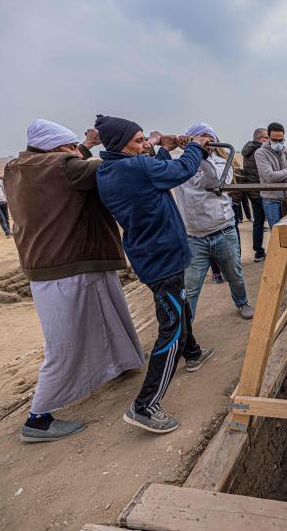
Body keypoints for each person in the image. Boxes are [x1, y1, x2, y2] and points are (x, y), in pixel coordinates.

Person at [4, 118, 144, 442]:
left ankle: (122, 364)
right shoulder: (64, 166)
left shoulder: (18, 167)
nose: (73, 153)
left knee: (108, 313)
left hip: (50, 265)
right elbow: (97, 169)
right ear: (56, 149)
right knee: (64, 344)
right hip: (69, 265)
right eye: (69, 149)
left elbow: (63, 164)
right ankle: (37, 420)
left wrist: (84, 145)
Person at [95, 114, 215, 434]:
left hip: (152, 255)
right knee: (171, 328)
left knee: (180, 304)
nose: (144, 143)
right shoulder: (137, 168)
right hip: (164, 259)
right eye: (138, 140)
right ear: (121, 145)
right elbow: (180, 171)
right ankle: (145, 405)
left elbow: (152, 174)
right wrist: (196, 148)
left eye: (143, 137)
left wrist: (162, 148)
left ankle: (193, 353)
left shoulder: (110, 169)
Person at [173, 122, 253, 321]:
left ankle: (242, 301)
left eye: (210, 140)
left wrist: (201, 155)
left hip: (222, 231)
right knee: (190, 287)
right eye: (202, 138)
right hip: (194, 237)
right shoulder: (180, 163)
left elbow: (213, 181)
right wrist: (190, 151)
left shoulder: (220, 163)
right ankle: (186, 328)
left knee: (235, 275)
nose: (207, 143)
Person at [255, 122, 287, 228]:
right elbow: (269, 177)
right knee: (277, 235)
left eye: (281, 140)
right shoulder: (260, 153)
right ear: (269, 138)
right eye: (275, 140)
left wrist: (281, 176)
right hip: (272, 200)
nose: (278, 143)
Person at [238, 128, 269, 262]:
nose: (268, 140)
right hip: (263, 190)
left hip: (253, 191)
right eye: (266, 137)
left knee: (258, 222)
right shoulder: (260, 151)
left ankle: (258, 252)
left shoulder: (247, 151)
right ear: (259, 139)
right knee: (274, 220)